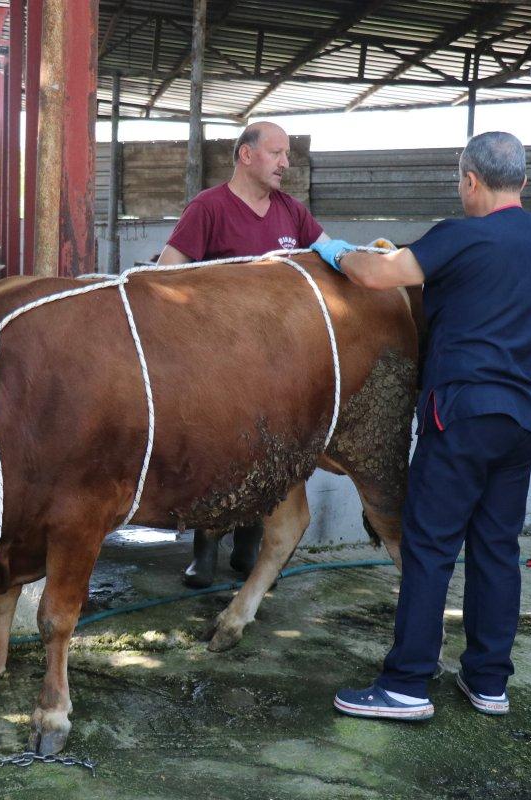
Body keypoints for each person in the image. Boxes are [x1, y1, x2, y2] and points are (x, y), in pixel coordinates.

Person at [313, 131, 531, 720]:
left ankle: (406, 685)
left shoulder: (458, 236)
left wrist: (334, 251)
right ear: (524, 182)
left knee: (430, 547)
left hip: (460, 412)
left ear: (470, 181)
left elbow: (378, 275)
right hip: (521, 420)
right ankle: (488, 681)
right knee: (496, 549)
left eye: (462, 181)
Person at [157, 120, 330, 589]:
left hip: (280, 366)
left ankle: (249, 546)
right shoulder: (208, 207)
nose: (285, 163)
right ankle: (205, 549)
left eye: (287, 154)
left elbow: (330, 253)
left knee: (269, 453)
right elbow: (165, 274)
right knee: (218, 453)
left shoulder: (292, 212)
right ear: (246, 155)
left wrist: (371, 259)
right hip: (220, 365)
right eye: (277, 153)